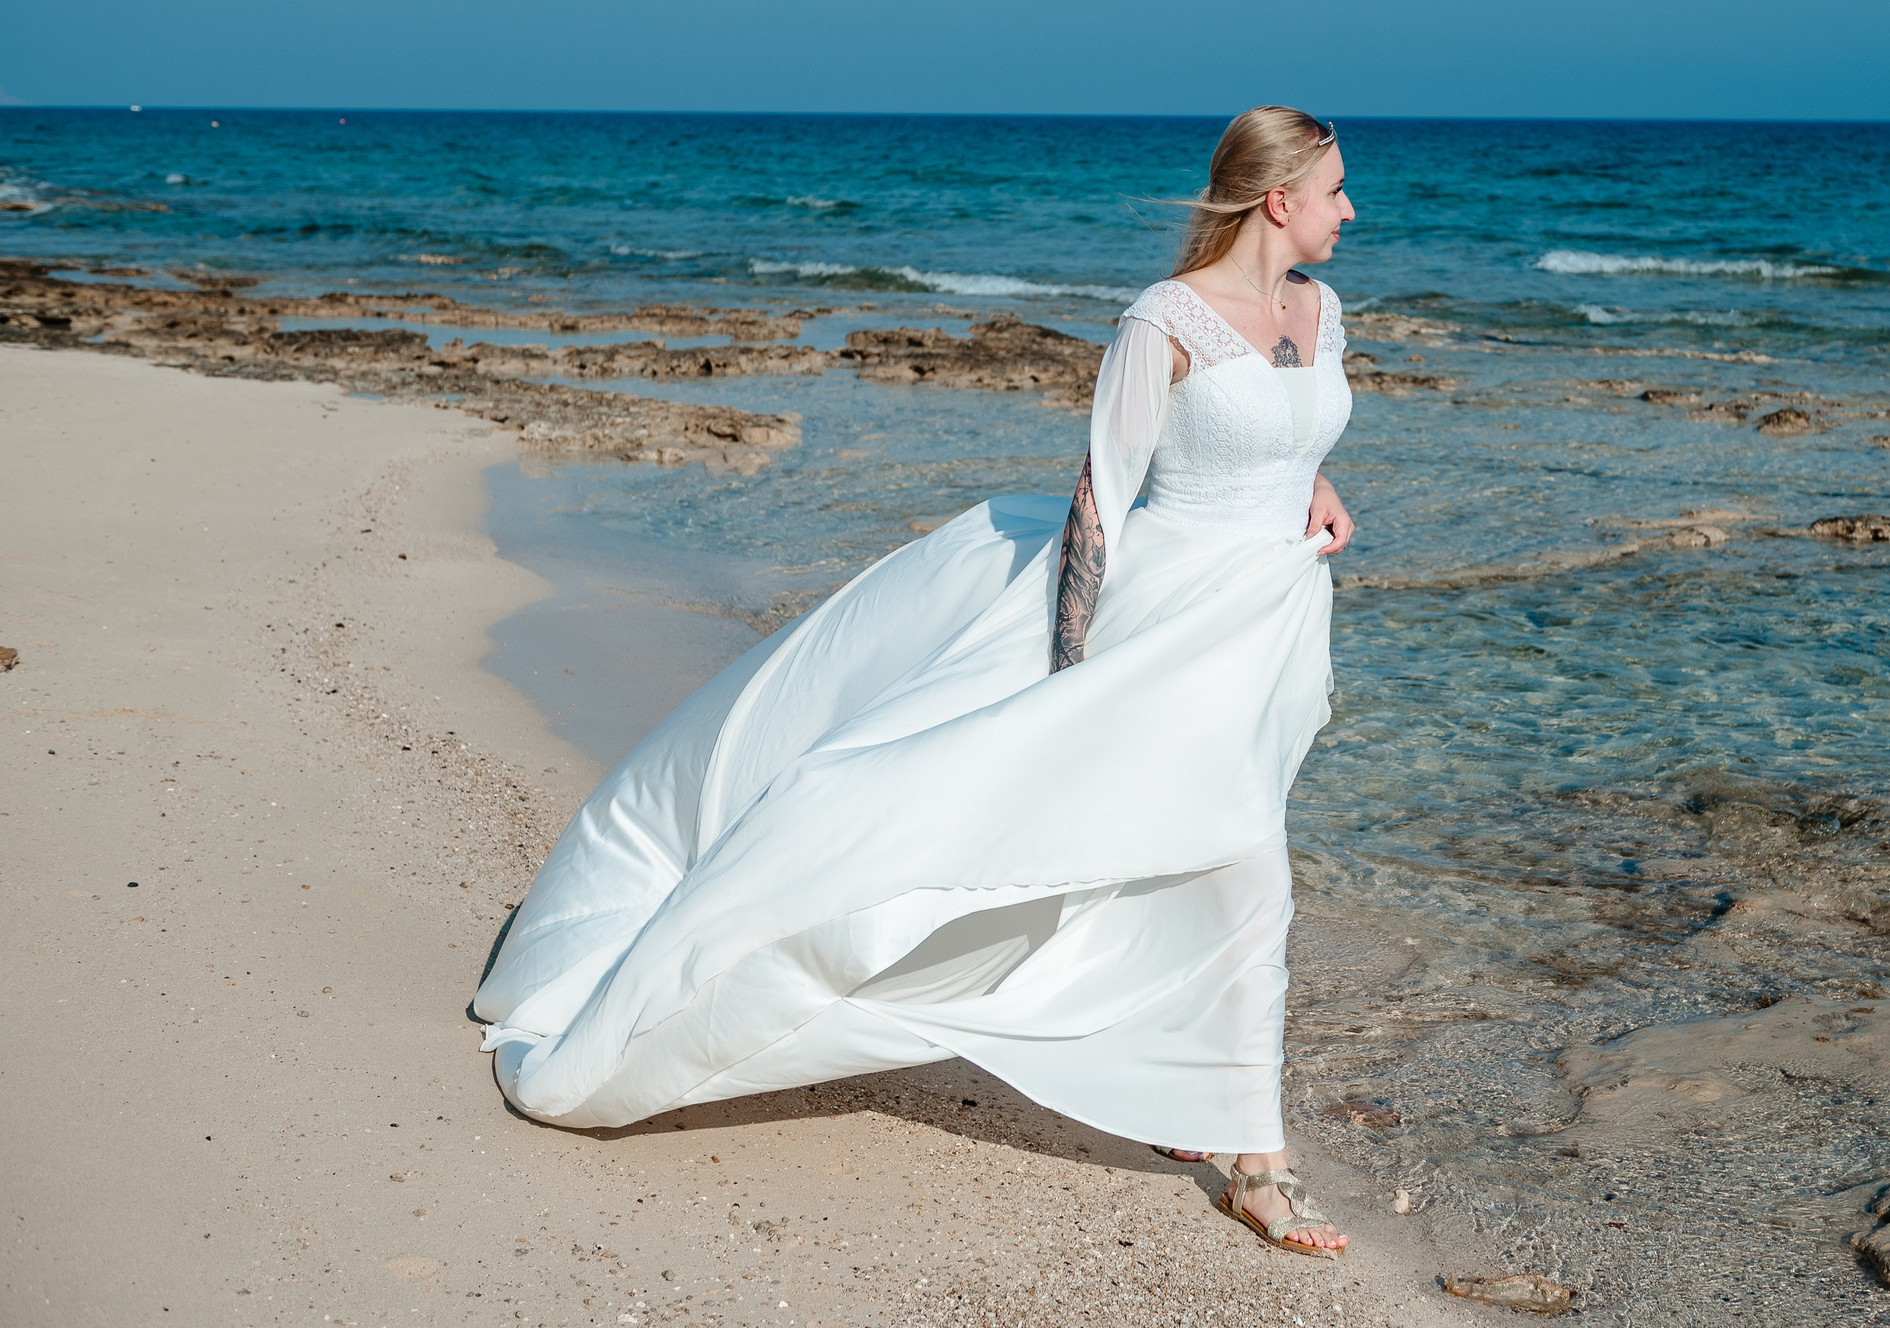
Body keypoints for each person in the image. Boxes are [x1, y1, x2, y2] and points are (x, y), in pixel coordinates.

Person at [472, 105, 1359, 1258]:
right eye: (1337, 188)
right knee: (1230, 867)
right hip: (1161, 626)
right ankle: (1257, 1160)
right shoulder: (1164, 321)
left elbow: (1285, 428)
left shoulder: (1322, 310)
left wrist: (1314, 482)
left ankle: (1196, 1103)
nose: (1352, 209)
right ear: (1278, 197)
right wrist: (1068, 672)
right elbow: (1103, 488)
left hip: (1264, 624)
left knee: (1206, 858)